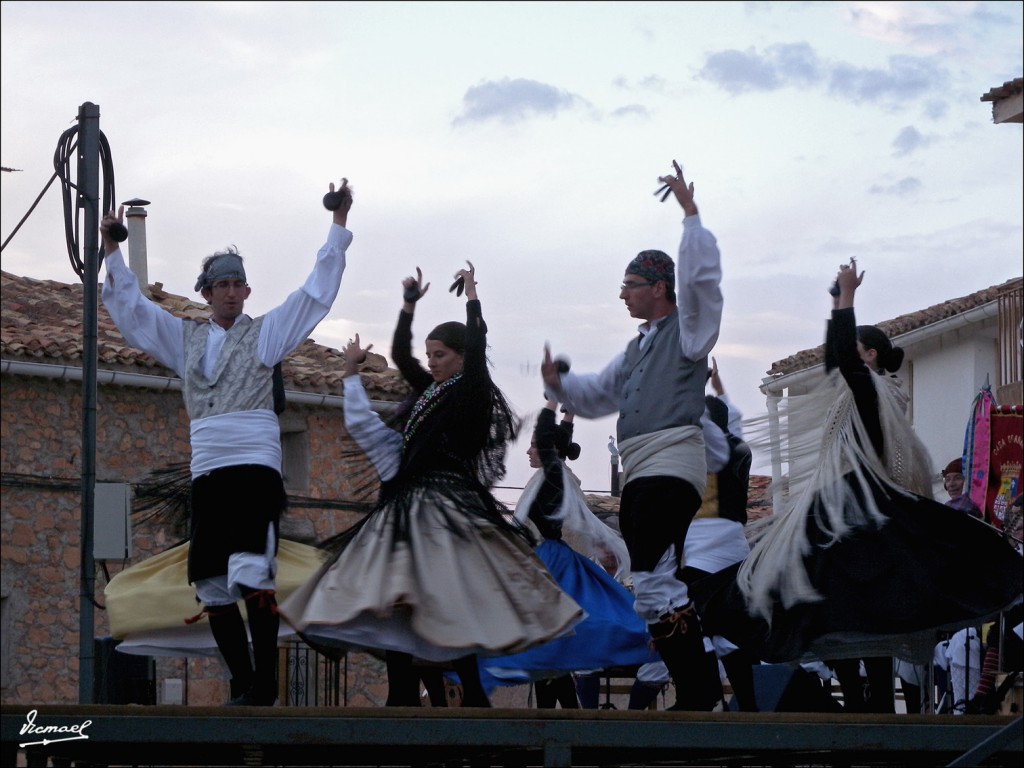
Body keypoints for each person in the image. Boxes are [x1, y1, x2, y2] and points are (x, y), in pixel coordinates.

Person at [690, 260, 1022, 709]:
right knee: (837, 605)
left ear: (869, 356)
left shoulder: (872, 392)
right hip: (847, 501)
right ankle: (866, 707)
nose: (845, 358)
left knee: (852, 604)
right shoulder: (869, 393)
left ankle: (875, 709)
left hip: (858, 503)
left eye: (856, 350)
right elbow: (837, 358)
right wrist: (833, 302)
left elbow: (841, 357)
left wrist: (846, 297)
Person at [99, 179, 356, 706]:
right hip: (209, 470)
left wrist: (338, 224)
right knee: (213, 583)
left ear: (246, 291)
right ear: (207, 292)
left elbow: (313, 296)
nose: (233, 292)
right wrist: (113, 249)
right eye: (223, 285)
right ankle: (243, 682)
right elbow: (133, 314)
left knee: (250, 572)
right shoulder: (186, 338)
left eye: (240, 284)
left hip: (255, 467)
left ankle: (265, 685)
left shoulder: (265, 334)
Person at [279, 264, 583, 707]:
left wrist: (473, 296)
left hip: (445, 504)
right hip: (411, 503)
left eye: (440, 354)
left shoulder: (471, 391)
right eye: (431, 354)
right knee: (404, 595)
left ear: (460, 356)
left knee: (442, 596)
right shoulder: (430, 390)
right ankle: (407, 693)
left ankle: (467, 695)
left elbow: (478, 348)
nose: (432, 362)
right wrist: (408, 305)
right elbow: (402, 357)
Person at [541, 159, 724, 711]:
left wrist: (691, 218)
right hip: (646, 468)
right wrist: (561, 386)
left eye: (631, 285)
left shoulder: (689, 333)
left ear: (659, 288)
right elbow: (597, 394)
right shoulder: (639, 346)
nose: (623, 295)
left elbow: (703, 286)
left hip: (671, 462)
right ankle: (699, 690)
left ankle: (699, 692)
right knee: (652, 585)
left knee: (650, 578)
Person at [477, 397, 657, 708]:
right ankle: (567, 714)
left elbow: (551, 441)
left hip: (547, 562)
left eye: (535, 446)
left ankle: (564, 716)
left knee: (544, 642)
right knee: (550, 646)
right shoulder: (557, 473)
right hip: (550, 557)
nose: (530, 451)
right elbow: (558, 442)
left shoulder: (553, 473)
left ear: (549, 450)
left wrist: (551, 403)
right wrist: (568, 416)